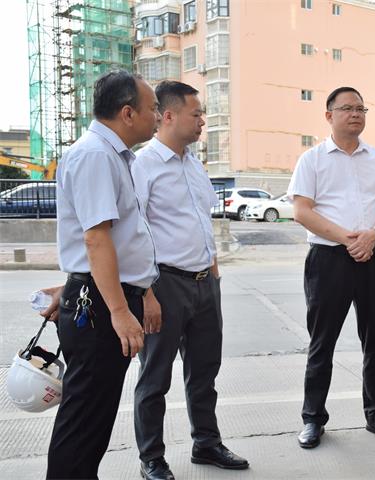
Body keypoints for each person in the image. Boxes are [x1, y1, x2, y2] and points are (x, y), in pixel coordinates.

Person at [44, 70, 161, 479]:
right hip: (101, 305)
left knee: (93, 418)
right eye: (152, 108)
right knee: (84, 420)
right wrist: (119, 310)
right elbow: (95, 239)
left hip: (100, 296)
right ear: (128, 113)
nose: (157, 116)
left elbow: (111, 241)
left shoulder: (112, 155)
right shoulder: (95, 155)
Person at [131, 81, 248, 479]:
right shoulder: (143, 166)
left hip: (204, 283)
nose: (202, 122)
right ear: (168, 116)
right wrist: (145, 293)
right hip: (163, 284)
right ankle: (151, 457)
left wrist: (213, 273)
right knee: (155, 376)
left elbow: (202, 222)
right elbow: (134, 233)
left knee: (204, 371)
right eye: (196, 114)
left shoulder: (194, 165)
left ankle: (206, 443)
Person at [288, 86, 375, 449]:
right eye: (347, 108)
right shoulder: (312, 159)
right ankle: (313, 419)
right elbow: (302, 211)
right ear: (329, 115)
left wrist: (374, 234)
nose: (355, 114)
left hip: (373, 257)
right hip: (328, 261)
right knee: (322, 343)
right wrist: (348, 238)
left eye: (361, 109)